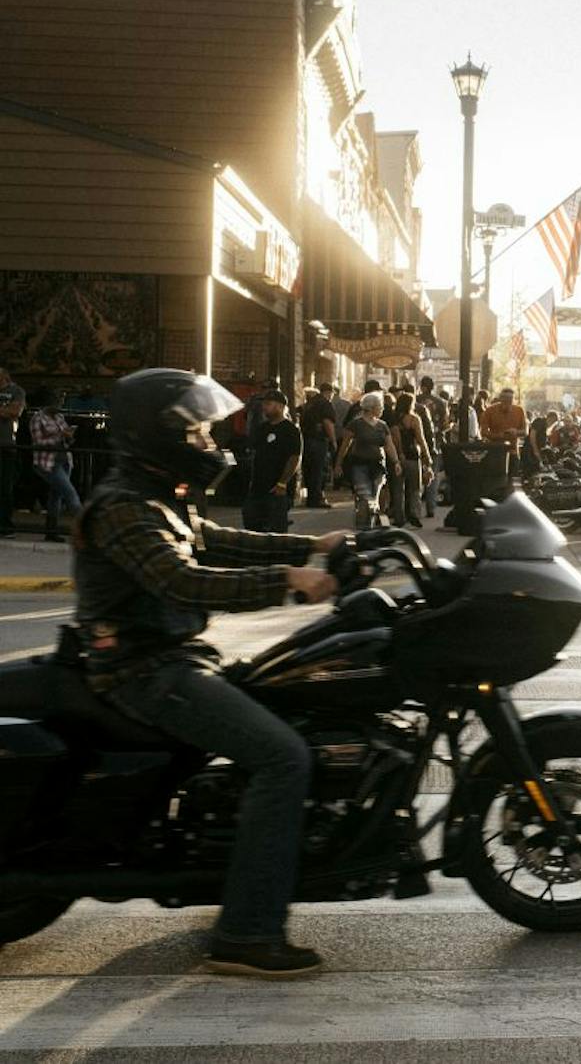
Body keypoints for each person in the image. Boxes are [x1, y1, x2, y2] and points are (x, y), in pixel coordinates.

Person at [73, 367, 346, 976]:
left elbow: (213, 539)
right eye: (194, 432)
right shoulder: (121, 507)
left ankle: (237, 867)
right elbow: (184, 579)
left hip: (175, 659)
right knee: (283, 757)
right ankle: (246, 932)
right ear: (157, 434)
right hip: (145, 672)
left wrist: (310, 547)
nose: (204, 442)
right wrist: (288, 581)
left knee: (292, 698)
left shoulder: (152, 494)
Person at [333, 393, 401, 529]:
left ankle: (371, 524)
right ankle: (363, 526)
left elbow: (389, 445)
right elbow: (345, 445)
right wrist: (338, 464)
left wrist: (396, 461)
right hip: (360, 465)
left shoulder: (383, 425)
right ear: (372, 407)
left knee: (375, 497)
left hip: (378, 465)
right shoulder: (356, 424)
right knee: (364, 496)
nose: (381, 409)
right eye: (379, 407)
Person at [243, 390, 302, 533]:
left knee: (276, 528)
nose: (264, 407)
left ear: (280, 407)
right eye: (264, 404)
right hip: (258, 486)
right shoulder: (262, 428)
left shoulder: (291, 430)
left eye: (268, 404)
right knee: (251, 522)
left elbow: (295, 458)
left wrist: (282, 483)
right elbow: (255, 451)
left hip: (277, 488)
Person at [29, 387, 80, 543]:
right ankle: (87, 530)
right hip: (47, 462)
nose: (60, 404)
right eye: (57, 401)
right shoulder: (38, 418)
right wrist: (59, 436)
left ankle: (51, 531)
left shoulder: (59, 417)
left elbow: (67, 440)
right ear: (48, 403)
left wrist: (69, 436)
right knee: (70, 494)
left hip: (63, 460)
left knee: (56, 497)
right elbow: (39, 442)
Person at [388, 391, 431, 529]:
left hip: (396, 458)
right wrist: (427, 456)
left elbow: (392, 439)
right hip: (413, 456)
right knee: (415, 488)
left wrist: (399, 453)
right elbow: (420, 439)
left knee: (398, 488)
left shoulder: (392, 419)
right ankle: (414, 515)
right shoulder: (414, 419)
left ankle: (399, 517)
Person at [299, 385, 337, 509]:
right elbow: (327, 422)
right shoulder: (325, 404)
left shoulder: (310, 403)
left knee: (309, 470)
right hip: (319, 440)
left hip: (306, 440)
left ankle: (311, 498)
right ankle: (317, 498)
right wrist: (333, 440)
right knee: (319, 470)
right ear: (329, 393)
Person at [0, 365, 26, 537]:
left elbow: (15, 411)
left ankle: (4, 525)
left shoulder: (16, 391)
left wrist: (7, 411)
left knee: (4, 487)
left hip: (5, 444)